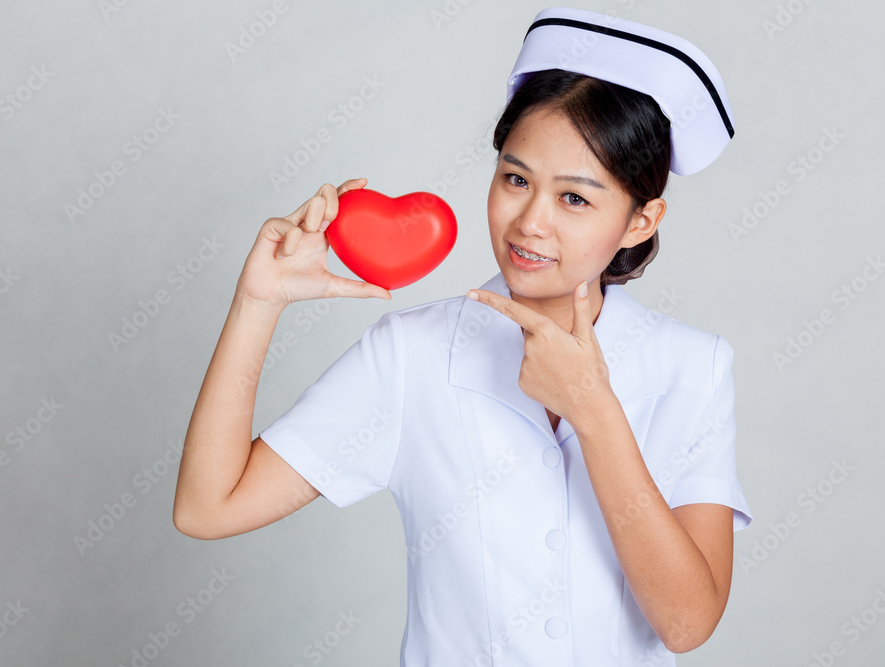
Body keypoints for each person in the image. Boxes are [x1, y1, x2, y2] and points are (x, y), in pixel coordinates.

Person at [173, 7, 752, 666]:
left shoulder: (693, 367)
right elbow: (208, 508)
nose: (529, 222)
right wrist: (258, 302)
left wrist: (594, 411)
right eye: (515, 179)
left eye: (575, 198)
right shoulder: (411, 353)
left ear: (641, 221)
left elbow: (686, 622)